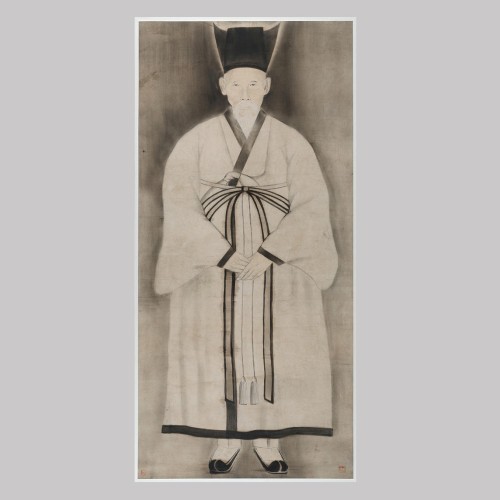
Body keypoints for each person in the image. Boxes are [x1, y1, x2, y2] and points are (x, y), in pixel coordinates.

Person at [154, 25, 338, 475]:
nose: (245, 93)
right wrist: (222, 254)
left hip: (278, 269)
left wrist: (270, 253)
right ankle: (225, 440)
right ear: (222, 86)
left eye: (253, 84)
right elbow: (178, 203)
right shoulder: (195, 142)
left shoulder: (291, 142)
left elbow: (312, 204)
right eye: (236, 84)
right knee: (216, 350)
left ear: (267, 86)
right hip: (214, 268)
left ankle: (269, 442)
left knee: (278, 348)